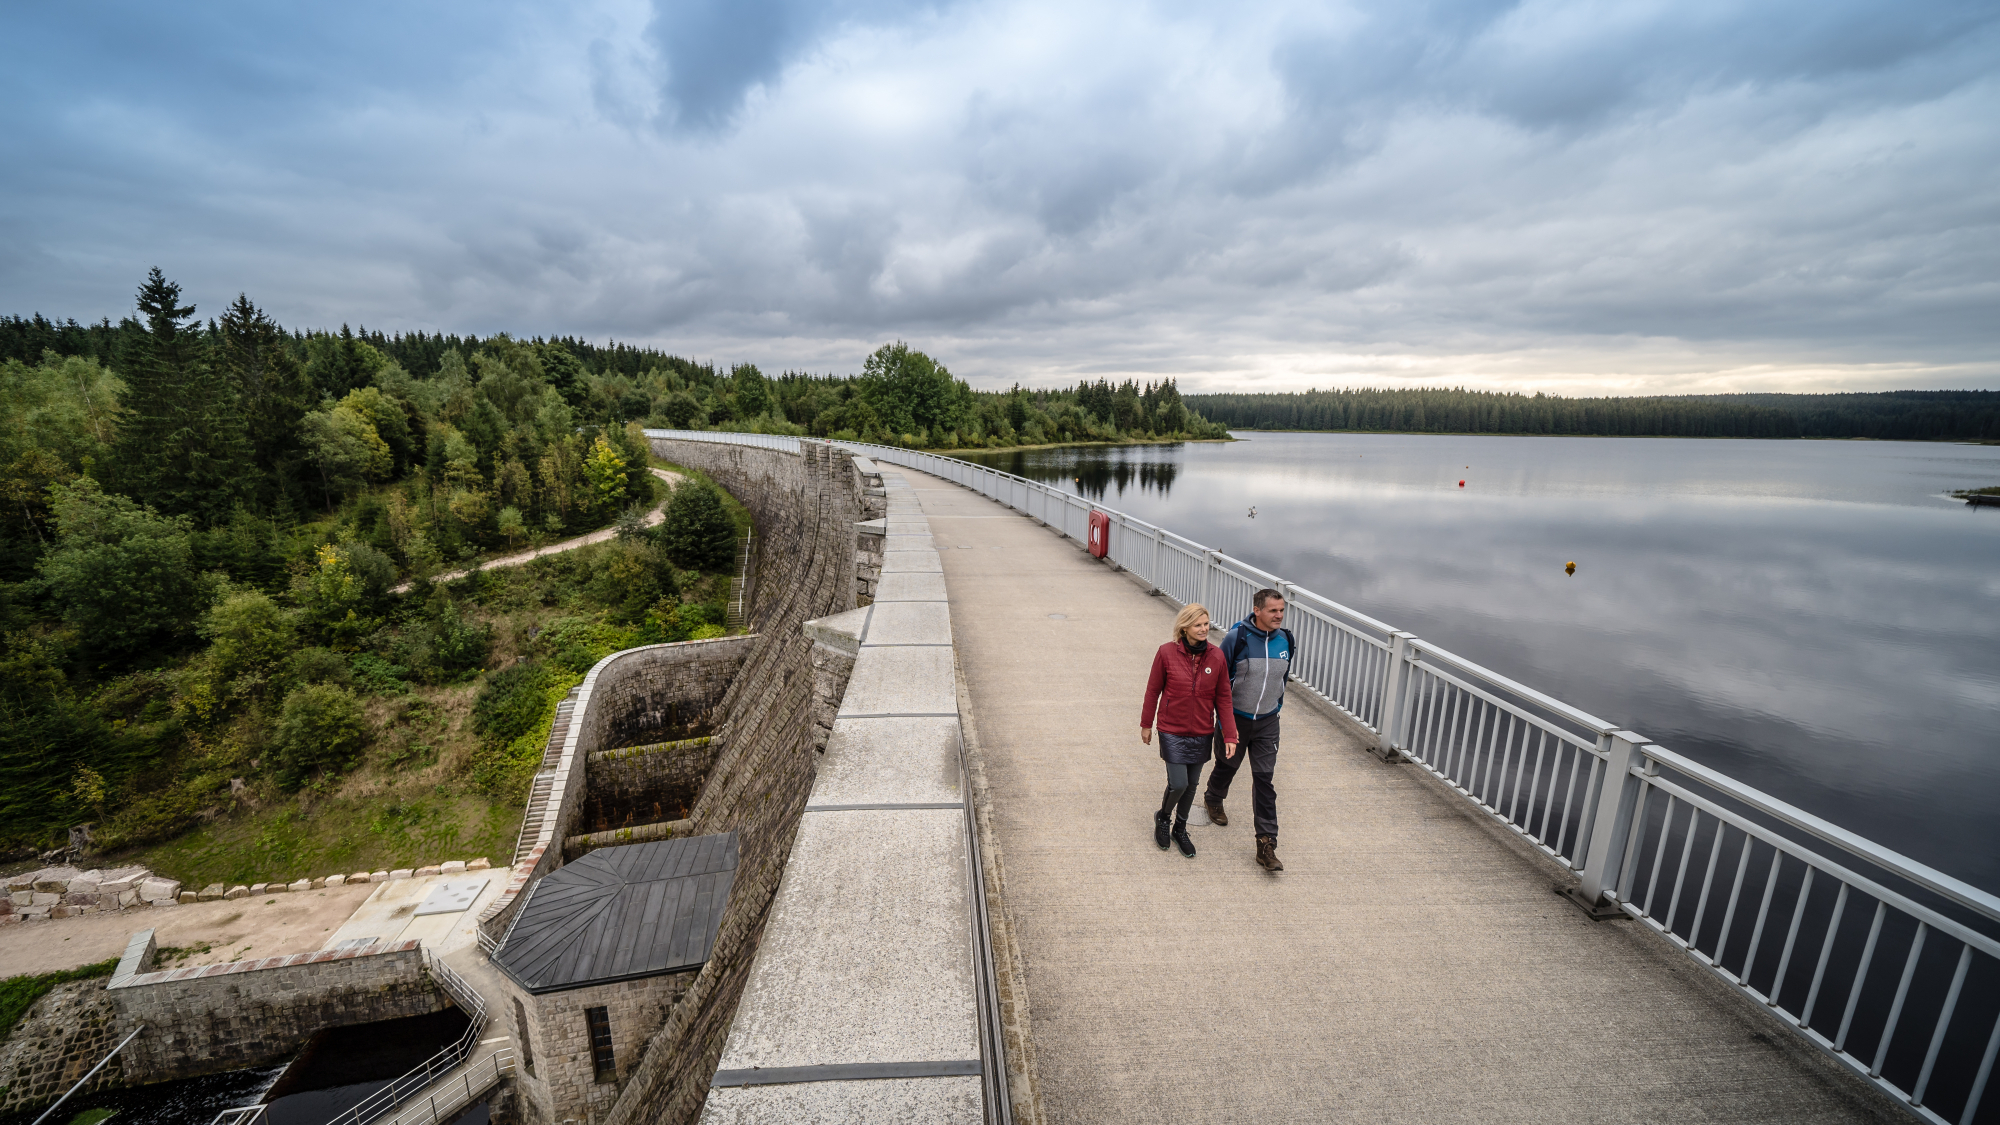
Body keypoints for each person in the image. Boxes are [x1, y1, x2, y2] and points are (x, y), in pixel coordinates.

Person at [1205, 588, 1294, 871]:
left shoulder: (1286, 640)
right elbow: (1218, 678)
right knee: (1227, 764)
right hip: (1236, 719)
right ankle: (1213, 797)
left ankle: (1266, 845)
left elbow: (1282, 678)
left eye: (1281, 610)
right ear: (1257, 610)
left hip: (1268, 721)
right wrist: (1219, 716)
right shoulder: (1237, 638)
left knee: (1264, 780)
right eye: (1273, 611)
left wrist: (1275, 705)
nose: (1279, 615)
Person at [1140, 603, 1238, 859]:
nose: (1204, 629)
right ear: (1185, 627)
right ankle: (1163, 818)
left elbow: (1224, 698)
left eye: (1206, 624)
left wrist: (1230, 734)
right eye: (1198, 625)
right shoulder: (1166, 653)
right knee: (1179, 783)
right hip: (1171, 728)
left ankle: (1180, 828)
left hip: (1202, 730)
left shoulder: (1217, 657)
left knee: (1192, 784)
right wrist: (1146, 724)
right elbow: (1153, 690)